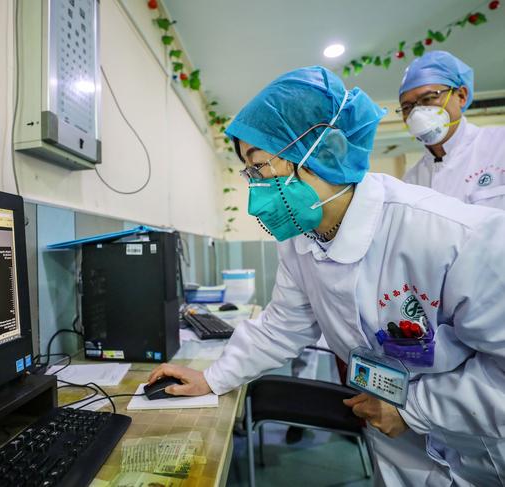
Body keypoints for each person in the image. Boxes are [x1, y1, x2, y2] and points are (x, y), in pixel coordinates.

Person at [149, 66, 505, 486]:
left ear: (327, 152)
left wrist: (414, 409)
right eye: (250, 173)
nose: (257, 189)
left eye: (261, 166)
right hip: (395, 445)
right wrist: (211, 378)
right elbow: (282, 326)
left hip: (481, 451)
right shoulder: (302, 235)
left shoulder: (455, 237)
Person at [399, 50, 505, 209]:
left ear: (461, 96)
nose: (417, 113)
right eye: (407, 107)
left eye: (428, 98)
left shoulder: (500, 145)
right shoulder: (410, 183)